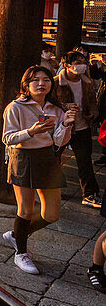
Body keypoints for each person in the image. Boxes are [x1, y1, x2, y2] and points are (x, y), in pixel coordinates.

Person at [1, 66, 78, 275]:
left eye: (46, 80)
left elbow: (58, 141)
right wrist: (31, 131)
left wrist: (67, 124)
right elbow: (7, 138)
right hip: (23, 157)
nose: (41, 84)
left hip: (47, 158)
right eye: (35, 80)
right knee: (25, 210)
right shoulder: (15, 107)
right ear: (26, 84)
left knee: (51, 214)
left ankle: (18, 235)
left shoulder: (55, 108)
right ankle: (21, 254)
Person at [53, 50, 101, 208]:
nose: (81, 65)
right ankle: (52, 188)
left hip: (82, 127)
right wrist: (65, 106)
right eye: (77, 62)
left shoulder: (86, 82)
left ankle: (89, 194)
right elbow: (48, 103)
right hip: (62, 127)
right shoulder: (55, 82)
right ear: (67, 65)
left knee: (84, 161)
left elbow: (93, 103)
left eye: (83, 62)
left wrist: (92, 113)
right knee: (54, 159)